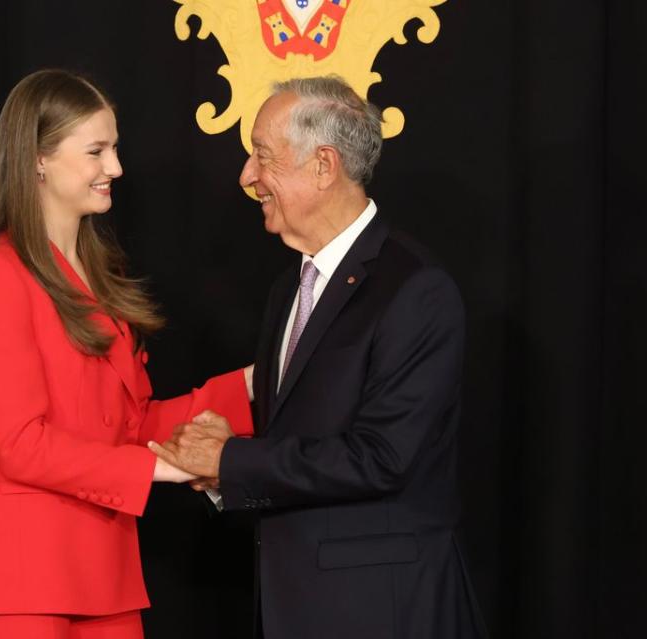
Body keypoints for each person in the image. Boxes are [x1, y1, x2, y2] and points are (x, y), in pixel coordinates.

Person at [150, 76, 488, 639]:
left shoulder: (415, 289)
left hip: (381, 612)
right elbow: (299, 439)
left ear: (324, 166)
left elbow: (381, 458)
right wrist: (222, 464)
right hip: (295, 607)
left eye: (261, 156)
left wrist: (231, 460)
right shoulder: (289, 287)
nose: (246, 177)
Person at [0, 69, 253, 639]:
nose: (116, 168)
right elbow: (18, 444)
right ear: (37, 158)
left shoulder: (98, 275)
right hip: (16, 575)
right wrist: (165, 468)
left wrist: (256, 385)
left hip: (102, 570)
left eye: (114, 148)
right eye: (97, 151)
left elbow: (130, 427)